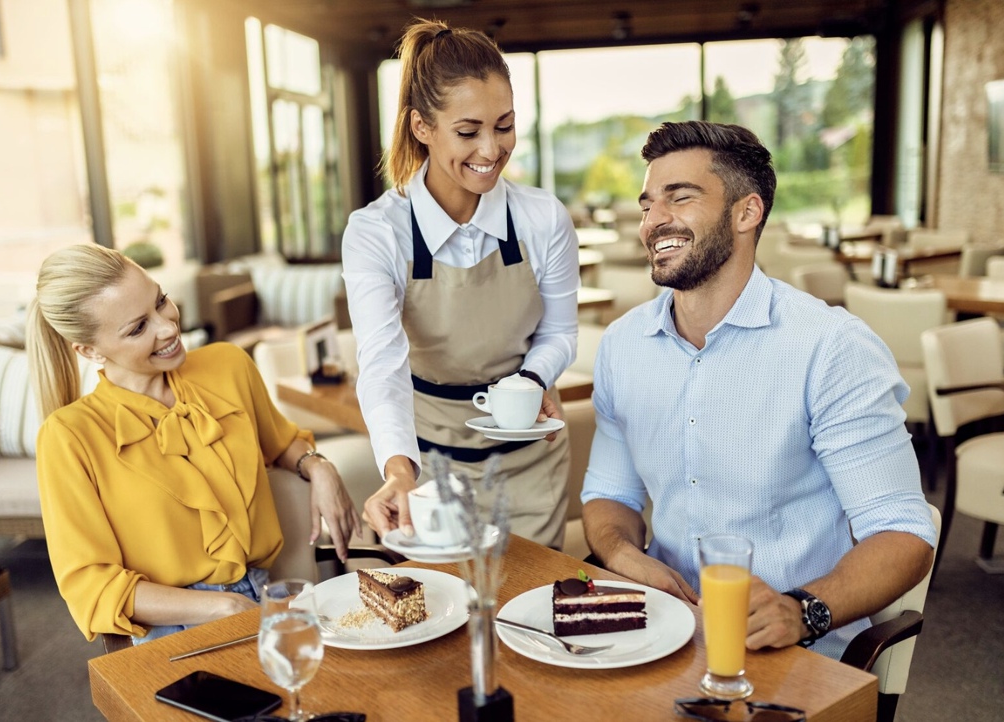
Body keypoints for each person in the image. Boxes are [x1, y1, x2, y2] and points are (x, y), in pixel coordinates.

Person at [580, 120, 936, 659]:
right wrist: (622, 553)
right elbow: (610, 494)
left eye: (680, 198)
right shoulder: (622, 346)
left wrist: (801, 609)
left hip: (793, 656)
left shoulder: (831, 349)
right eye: (649, 203)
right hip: (662, 637)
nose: (654, 221)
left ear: (747, 212)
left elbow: (903, 533)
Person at [27, 244, 361, 643]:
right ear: (89, 350)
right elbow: (92, 585)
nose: (168, 327)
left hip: (270, 596)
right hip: (170, 631)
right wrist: (223, 607)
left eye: (161, 301)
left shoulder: (228, 365)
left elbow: (281, 442)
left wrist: (318, 466)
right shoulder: (68, 437)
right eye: (137, 328)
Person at [342, 19, 580, 548]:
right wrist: (400, 472)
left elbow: (561, 333)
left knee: (527, 620)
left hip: (530, 466)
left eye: (506, 125)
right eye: (468, 132)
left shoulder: (543, 219)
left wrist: (533, 381)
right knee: (448, 623)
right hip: (431, 467)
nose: (492, 150)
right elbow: (382, 366)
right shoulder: (378, 233)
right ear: (422, 127)